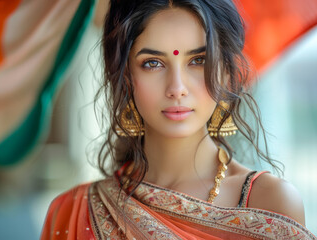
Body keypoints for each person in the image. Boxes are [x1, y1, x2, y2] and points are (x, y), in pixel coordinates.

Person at [41, 0, 316, 239]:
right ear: (125, 77)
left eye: (198, 60)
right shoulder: (72, 212)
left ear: (225, 73)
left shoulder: (269, 203)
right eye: (153, 63)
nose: (177, 88)